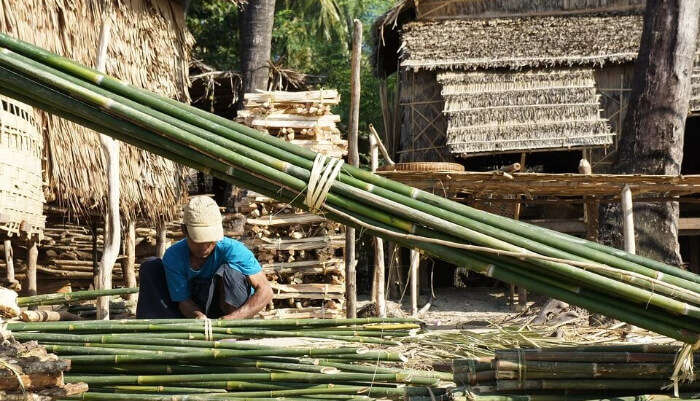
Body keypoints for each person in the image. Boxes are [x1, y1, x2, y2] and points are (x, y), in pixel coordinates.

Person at [137, 196, 273, 319]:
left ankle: (232, 333)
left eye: (211, 241)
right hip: (193, 311)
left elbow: (266, 290)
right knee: (151, 267)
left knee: (231, 271)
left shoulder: (233, 250)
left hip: (229, 312)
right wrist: (198, 316)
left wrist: (233, 318)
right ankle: (161, 333)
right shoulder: (174, 256)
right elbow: (183, 301)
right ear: (184, 230)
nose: (205, 247)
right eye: (199, 241)